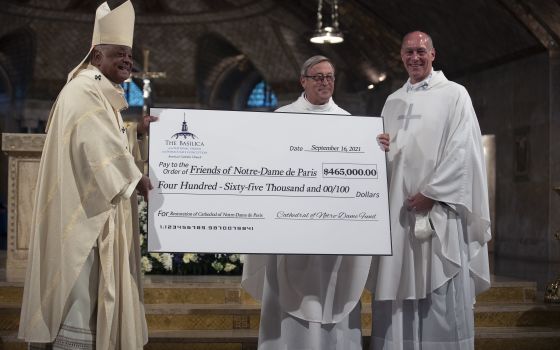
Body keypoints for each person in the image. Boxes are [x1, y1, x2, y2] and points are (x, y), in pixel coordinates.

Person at [18, 1, 154, 349]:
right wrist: (135, 177)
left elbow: (106, 138)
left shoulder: (98, 91)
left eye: (129, 55)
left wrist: (134, 132)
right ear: (96, 57)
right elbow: (96, 145)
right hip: (83, 216)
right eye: (119, 54)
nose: (128, 60)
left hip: (95, 208)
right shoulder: (83, 90)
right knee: (83, 291)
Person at [369, 31, 491, 349]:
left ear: (433, 55)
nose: (415, 58)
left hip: (440, 213)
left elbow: (463, 151)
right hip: (400, 215)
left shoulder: (454, 95)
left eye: (421, 51)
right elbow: (392, 150)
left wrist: (432, 194)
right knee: (399, 288)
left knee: (440, 290)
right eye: (409, 52)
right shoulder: (392, 100)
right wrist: (379, 146)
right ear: (401, 56)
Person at [242, 55, 370, 350]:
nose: (325, 82)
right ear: (304, 81)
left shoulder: (351, 123)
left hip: (333, 235)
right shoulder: (282, 117)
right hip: (291, 233)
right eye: (318, 77)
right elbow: (264, 166)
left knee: (333, 292)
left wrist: (377, 149)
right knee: (287, 296)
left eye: (329, 77)